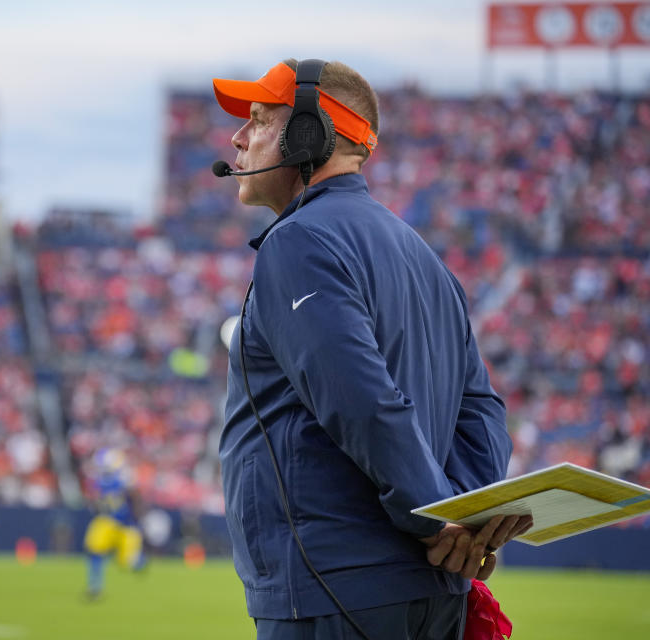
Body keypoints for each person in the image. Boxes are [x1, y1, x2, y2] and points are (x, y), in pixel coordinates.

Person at [212, 59, 533, 639]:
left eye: (258, 120)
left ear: (310, 134)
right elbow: (482, 409)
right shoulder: (424, 257)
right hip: (430, 591)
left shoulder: (297, 240)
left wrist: (437, 522)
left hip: (335, 587)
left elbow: (359, 397)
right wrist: (463, 519)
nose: (237, 137)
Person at [82, 448, 146, 600]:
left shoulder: (125, 478)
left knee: (126, 562)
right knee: (95, 549)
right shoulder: (98, 480)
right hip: (107, 520)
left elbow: (136, 500)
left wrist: (137, 520)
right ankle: (95, 587)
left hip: (125, 525)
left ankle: (139, 561)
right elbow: (95, 501)